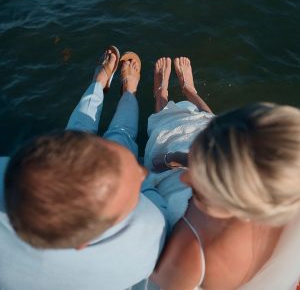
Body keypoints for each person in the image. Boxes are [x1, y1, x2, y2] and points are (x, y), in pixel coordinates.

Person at [0, 47, 169, 290]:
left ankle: (99, 83)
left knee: (76, 141)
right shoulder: (147, 237)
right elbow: (158, 203)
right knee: (119, 137)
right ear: (83, 243)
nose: (142, 172)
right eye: (137, 174)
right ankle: (127, 91)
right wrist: (145, 184)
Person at [144, 57, 300, 289]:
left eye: (207, 182)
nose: (187, 177)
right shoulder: (285, 190)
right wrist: (183, 159)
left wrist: (170, 159)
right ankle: (190, 91)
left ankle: (162, 97)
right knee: (206, 124)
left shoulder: (190, 252)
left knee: (169, 138)